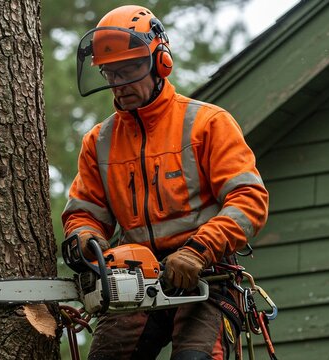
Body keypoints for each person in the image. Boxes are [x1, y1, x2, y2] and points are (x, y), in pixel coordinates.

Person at [62, 5, 269, 360]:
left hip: (206, 274)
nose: (119, 83)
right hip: (134, 278)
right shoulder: (99, 142)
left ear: (160, 62)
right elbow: (85, 211)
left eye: (128, 70)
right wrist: (85, 237)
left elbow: (248, 200)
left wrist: (198, 249)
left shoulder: (207, 123)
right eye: (110, 73)